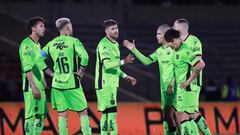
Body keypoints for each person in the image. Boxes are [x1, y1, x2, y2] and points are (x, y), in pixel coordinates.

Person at [40, 18, 91, 135]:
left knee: (62, 114)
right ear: (68, 27)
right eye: (71, 26)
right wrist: (81, 71)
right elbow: (85, 57)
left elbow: (38, 59)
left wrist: (50, 73)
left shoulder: (51, 44)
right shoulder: (74, 42)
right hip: (72, 84)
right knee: (83, 112)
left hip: (57, 85)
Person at [123, 24, 177, 135]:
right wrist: (134, 49)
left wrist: (173, 83)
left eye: (159, 34)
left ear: (166, 35)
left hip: (174, 88)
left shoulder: (174, 50)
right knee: (167, 118)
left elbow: (181, 69)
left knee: (175, 116)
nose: (156, 36)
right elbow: (147, 61)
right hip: (164, 90)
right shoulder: (159, 51)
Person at [164, 29, 210, 135]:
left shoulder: (186, 51)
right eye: (168, 42)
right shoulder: (177, 51)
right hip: (182, 88)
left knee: (182, 115)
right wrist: (172, 83)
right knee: (192, 114)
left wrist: (188, 81)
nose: (170, 45)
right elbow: (178, 70)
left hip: (187, 89)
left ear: (178, 39)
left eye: (171, 41)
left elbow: (200, 65)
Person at [95, 19, 137, 135]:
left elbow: (114, 67)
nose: (116, 30)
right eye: (112, 29)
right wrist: (124, 61)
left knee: (107, 113)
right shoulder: (104, 45)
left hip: (111, 84)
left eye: (116, 28)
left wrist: (125, 76)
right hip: (104, 84)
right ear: (106, 31)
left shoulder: (115, 44)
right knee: (111, 114)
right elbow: (107, 65)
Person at [19, 17, 48, 135]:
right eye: (41, 26)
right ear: (33, 28)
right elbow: (27, 67)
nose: (44, 29)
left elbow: (39, 64)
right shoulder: (26, 45)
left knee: (41, 115)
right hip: (31, 86)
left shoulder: (38, 44)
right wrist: (34, 86)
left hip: (40, 85)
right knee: (30, 115)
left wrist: (44, 81)